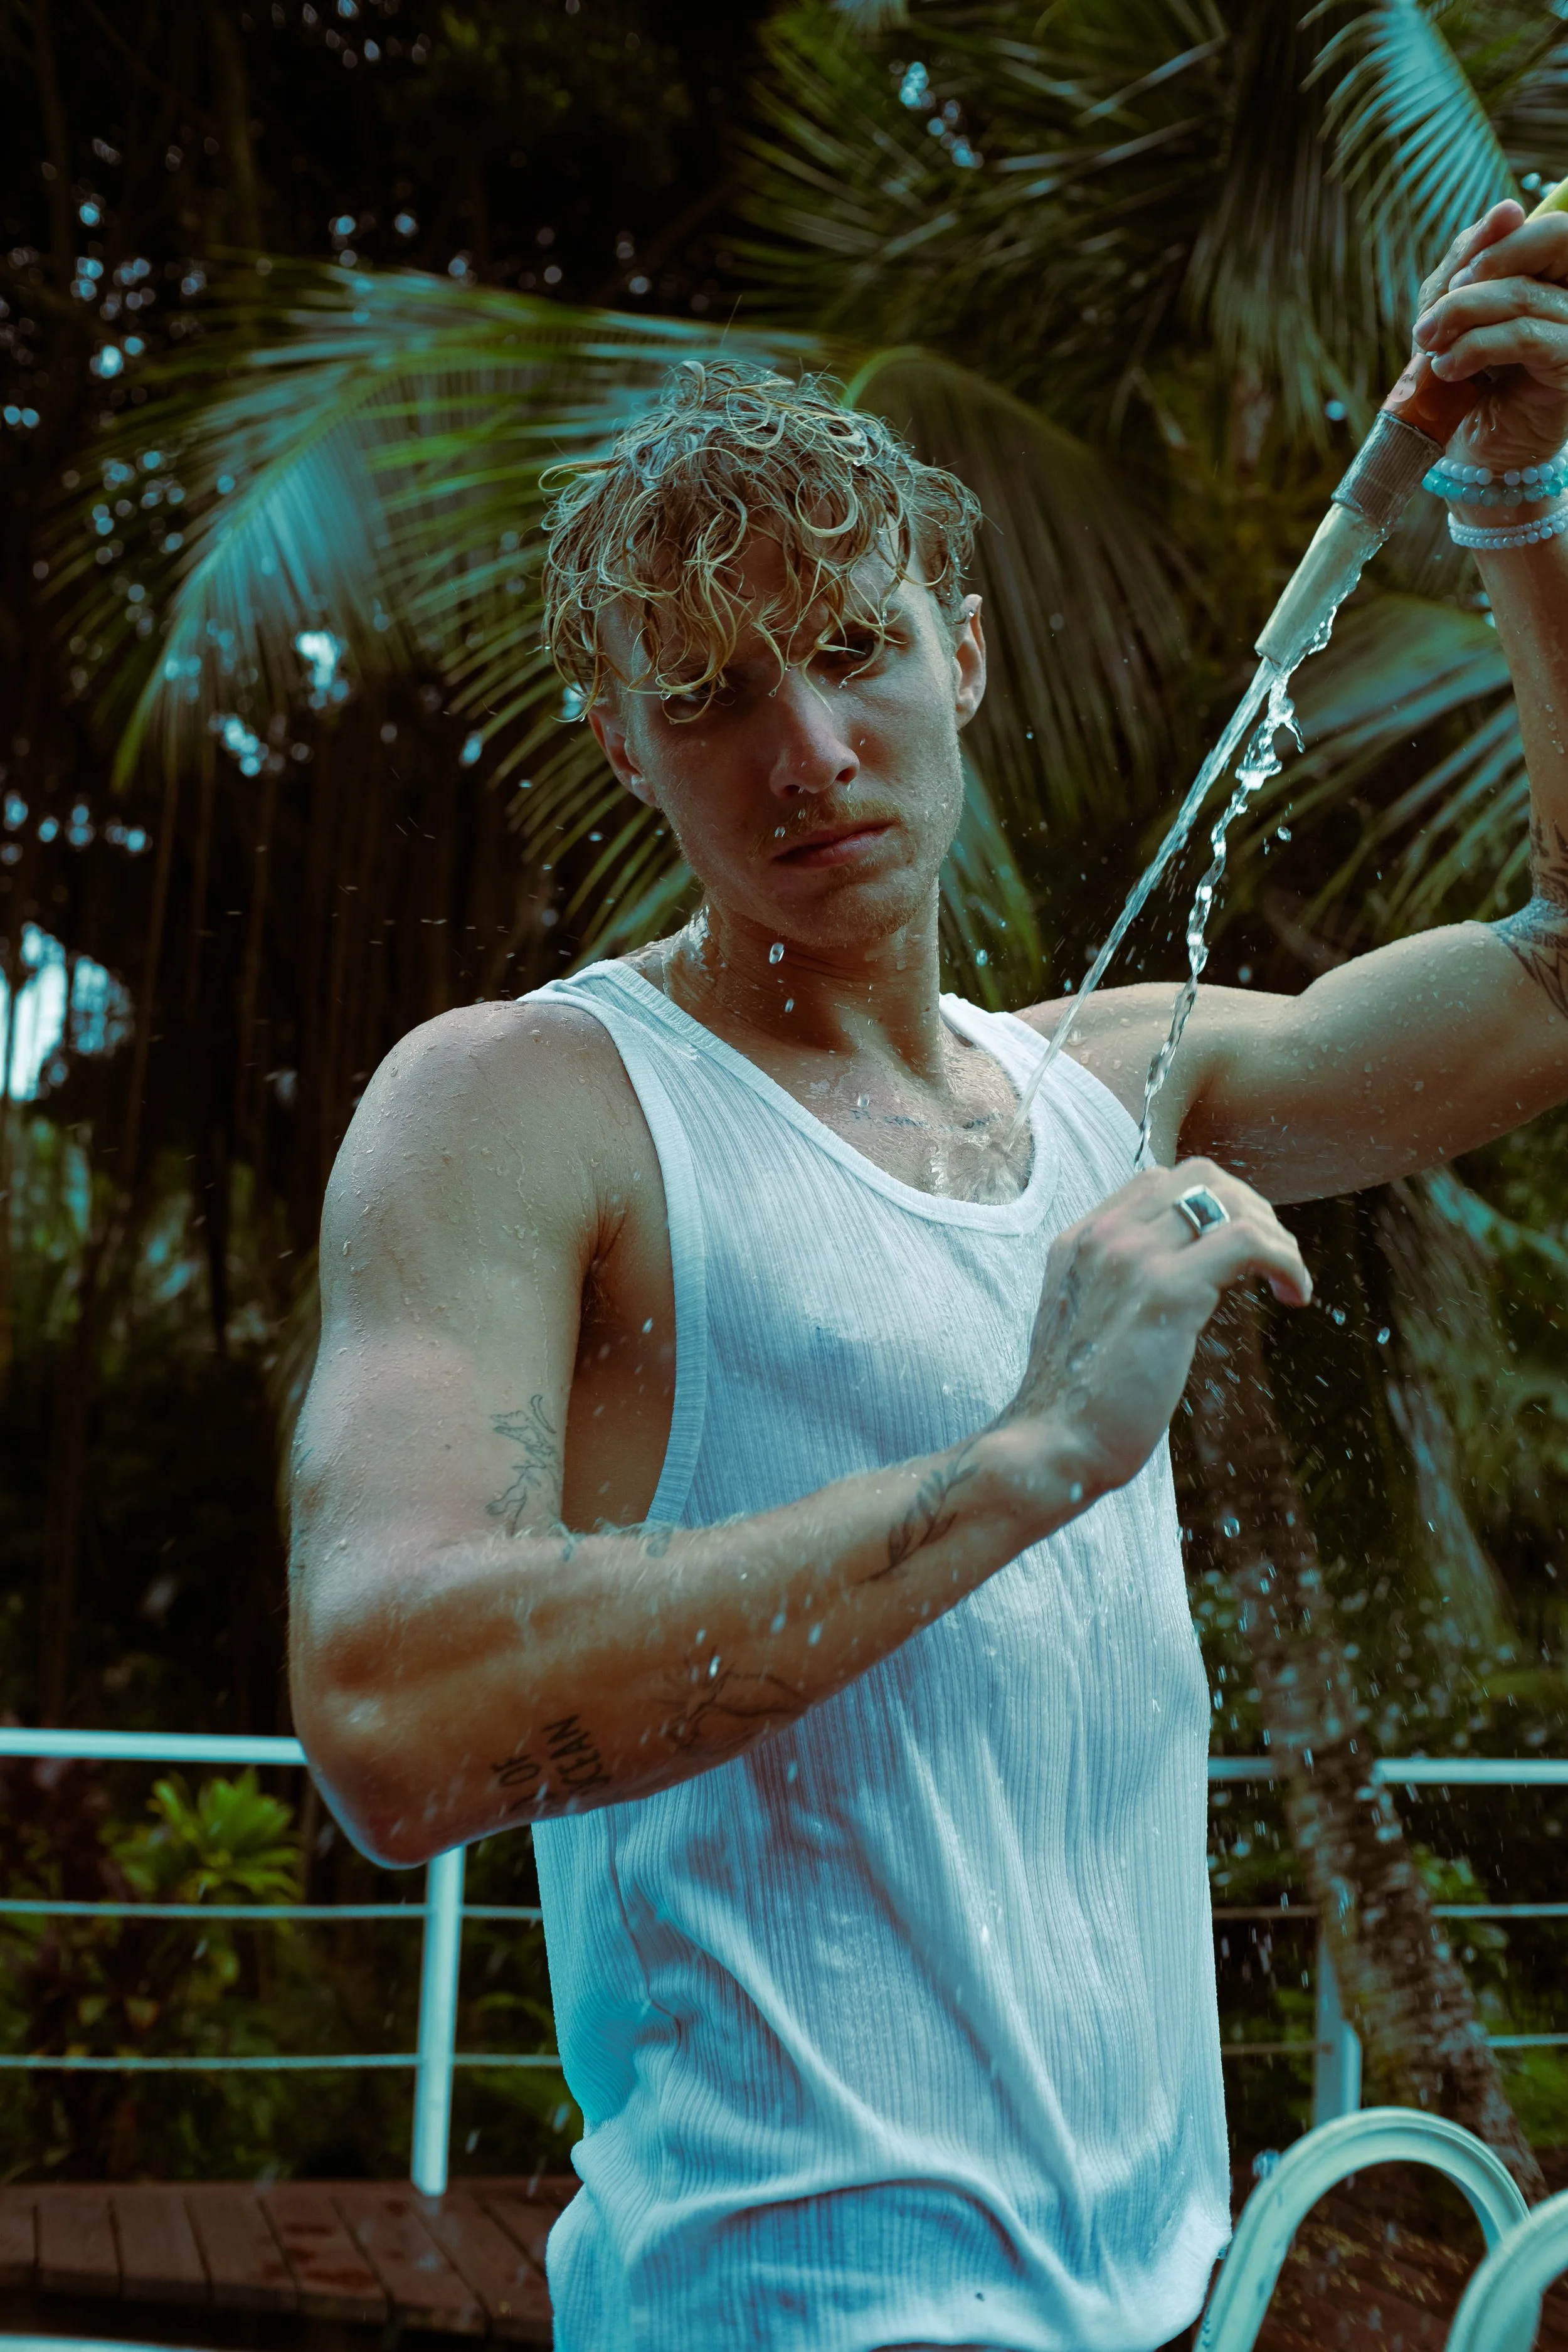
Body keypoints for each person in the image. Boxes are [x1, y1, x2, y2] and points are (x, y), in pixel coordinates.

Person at [289, 199, 1568, 2351]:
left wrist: (1518, 494)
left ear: (959, 645)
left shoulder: (1118, 1084)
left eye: (856, 649)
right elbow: (390, 1717)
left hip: (1156, 2306)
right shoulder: (533, 1103)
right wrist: (1031, 1454)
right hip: (789, 2312)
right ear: (621, 737)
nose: (805, 752)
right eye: (708, 692)